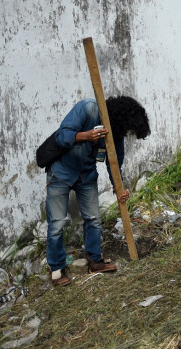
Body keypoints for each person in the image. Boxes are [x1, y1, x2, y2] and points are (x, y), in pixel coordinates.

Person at [45, 96, 150, 287]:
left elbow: (114, 161)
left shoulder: (115, 131)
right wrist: (85, 136)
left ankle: (95, 260)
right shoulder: (88, 109)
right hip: (61, 172)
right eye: (126, 128)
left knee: (93, 218)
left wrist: (119, 188)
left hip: (86, 175)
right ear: (120, 117)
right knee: (57, 224)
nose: (124, 133)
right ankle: (56, 268)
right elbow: (62, 135)